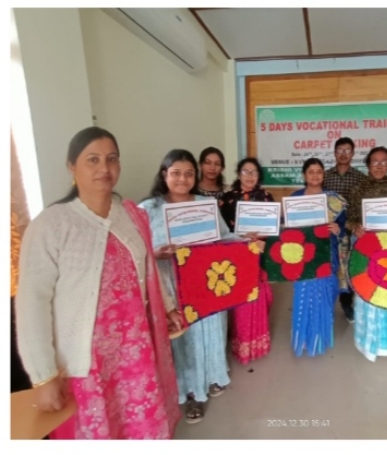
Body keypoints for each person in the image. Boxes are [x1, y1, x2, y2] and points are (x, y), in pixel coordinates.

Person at [16, 127, 181, 439]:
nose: (104, 168)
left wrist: (169, 307)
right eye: (92, 159)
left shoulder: (129, 215)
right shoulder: (51, 225)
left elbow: (147, 267)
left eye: (111, 159)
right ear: (71, 166)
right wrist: (43, 375)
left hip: (136, 353)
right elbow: (31, 303)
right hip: (84, 364)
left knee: (139, 428)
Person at [138, 149, 259, 424]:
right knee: (184, 338)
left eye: (189, 173)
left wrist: (245, 239)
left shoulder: (205, 204)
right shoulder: (148, 209)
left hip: (207, 282)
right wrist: (156, 254)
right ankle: (192, 393)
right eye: (176, 173)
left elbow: (224, 236)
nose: (183, 179)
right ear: (164, 174)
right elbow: (138, 248)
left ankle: (214, 376)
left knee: (213, 331)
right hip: (170, 285)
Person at [346, 146, 387, 362]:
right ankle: (367, 338)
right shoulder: (358, 188)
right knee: (367, 290)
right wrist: (356, 227)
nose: (379, 166)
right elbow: (350, 218)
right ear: (368, 164)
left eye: (384, 162)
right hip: (366, 245)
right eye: (375, 161)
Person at [219, 157, 274, 364]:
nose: (249, 176)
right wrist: (241, 237)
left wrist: (263, 239)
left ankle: (258, 341)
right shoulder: (227, 198)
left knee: (260, 296)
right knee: (241, 298)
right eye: (245, 171)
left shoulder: (267, 198)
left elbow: (272, 228)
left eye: (254, 172)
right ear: (238, 174)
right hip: (236, 256)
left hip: (259, 254)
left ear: (259, 175)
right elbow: (222, 231)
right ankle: (242, 341)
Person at [289, 158, 346, 356]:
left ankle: (320, 336)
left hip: (326, 254)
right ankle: (304, 337)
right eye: (311, 171)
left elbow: (344, 227)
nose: (315, 175)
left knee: (324, 294)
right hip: (302, 256)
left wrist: (338, 229)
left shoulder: (334, 199)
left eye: (319, 171)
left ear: (324, 175)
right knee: (303, 293)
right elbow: (288, 226)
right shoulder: (295, 197)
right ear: (304, 175)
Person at [323, 137, 367, 323]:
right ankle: (326, 305)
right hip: (327, 232)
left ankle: (346, 303)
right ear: (334, 153)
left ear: (353, 153)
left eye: (347, 150)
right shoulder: (324, 176)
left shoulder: (360, 178)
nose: (343, 154)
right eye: (340, 150)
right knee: (328, 268)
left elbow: (363, 206)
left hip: (350, 231)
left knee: (347, 269)